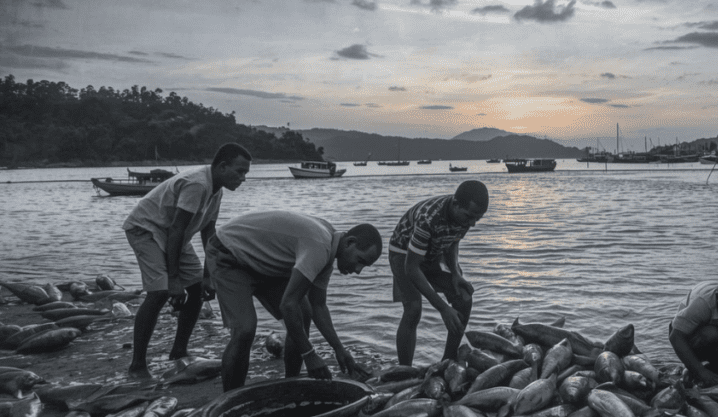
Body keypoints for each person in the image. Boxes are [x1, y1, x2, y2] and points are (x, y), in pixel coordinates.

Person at [207, 211, 382, 391]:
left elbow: (318, 306)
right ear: (349, 242)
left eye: (364, 266)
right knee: (245, 329)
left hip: (264, 264)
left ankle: (290, 386)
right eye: (360, 260)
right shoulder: (320, 245)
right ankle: (230, 399)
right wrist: (310, 355)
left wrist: (339, 349)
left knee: (304, 313)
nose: (358, 270)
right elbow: (287, 304)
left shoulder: (328, 251)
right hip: (229, 253)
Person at [123, 143, 251, 379]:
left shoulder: (216, 189)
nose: (242, 178)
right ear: (222, 167)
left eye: (245, 174)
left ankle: (179, 351)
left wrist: (208, 276)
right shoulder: (198, 184)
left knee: (196, 290)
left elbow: (209, 233)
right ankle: (137, 364)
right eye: (239, 172)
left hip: (175, 236)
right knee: (160, 292)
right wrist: (173, 280)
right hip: (147, 229)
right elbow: (176, 229)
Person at [390, 180, 488, 366]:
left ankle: (448, 361)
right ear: (456, 204)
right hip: (403, 254)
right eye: (469, 217)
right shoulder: (428, 219)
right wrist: (443, 308)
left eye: (478, 218)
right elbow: (411, 268)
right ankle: (405, 369)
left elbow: (452, 241)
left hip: (433, 253)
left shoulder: (465, 217)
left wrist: (455, 273)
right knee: (413, 310)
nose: (473, 224)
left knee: (463, 296)